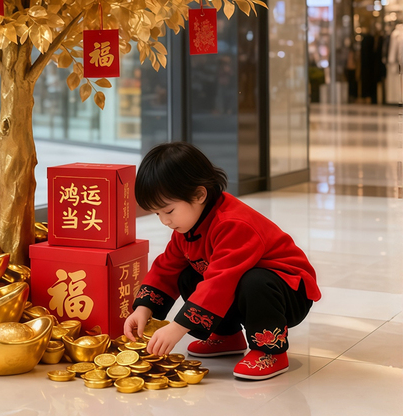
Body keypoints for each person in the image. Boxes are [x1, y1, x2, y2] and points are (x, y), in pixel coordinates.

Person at [124, 142, 320, 381]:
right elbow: (166, 268)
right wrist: (144, 309)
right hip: (246, 288)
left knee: (254, 281)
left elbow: (221, 281)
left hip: (289, 292)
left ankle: (270, 351)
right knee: (188, 275)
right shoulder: (187, 228)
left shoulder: (233, 223)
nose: (164, 221)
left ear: (199, 194)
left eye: (169, 211)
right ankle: (227, 336)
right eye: (157, 214)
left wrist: (177, 327)